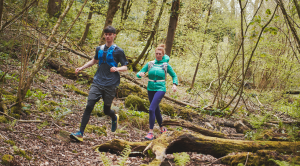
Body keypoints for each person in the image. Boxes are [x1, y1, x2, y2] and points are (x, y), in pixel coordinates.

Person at [70, 26, 128, 142]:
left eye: (110, 34)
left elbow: (125, 67)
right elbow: (94, 61)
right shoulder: (99, 49)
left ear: (114, 35)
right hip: (97, 81)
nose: (108, 36)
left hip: (111, 84)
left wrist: (117, 69)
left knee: (106, 110)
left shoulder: (119, 51)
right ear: (104, 35)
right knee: (89, 106)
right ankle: (80, 133)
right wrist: (81, 67)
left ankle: (113, 116)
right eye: (106, 34)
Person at [136, 44, 178, 140]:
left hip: (160, 88)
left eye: (160, 54)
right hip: (150, 88)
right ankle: (162, 129)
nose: (158, 55)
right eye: (156, 53)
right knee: (156, 110)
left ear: (162, 55)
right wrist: (140, 74)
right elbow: (139, 73)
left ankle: (150, 133)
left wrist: (174, 84)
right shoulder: (150, 64)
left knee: (151, 109)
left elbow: (174, 76)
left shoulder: (165, 65)